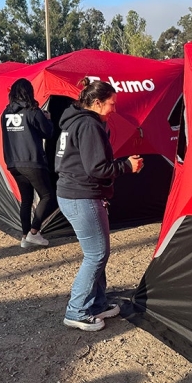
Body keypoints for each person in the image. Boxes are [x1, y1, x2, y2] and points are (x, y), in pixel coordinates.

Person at [55, 78, 144, 331]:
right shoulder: (88, 125)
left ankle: (96, 302)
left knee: (98, 253)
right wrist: (128, 166)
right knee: (96, 254)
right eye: (111, 104)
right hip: (82, 195)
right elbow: (97, 168)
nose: (114, 109)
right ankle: (77, 310)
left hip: (75, 192)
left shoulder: (75, 121)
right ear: (96, 103)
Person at [1, 78, 57, 248]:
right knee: (48, 196)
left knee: (26, 200)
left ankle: (25, 237)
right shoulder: (33, 111)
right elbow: (48, 133)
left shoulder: (5, 114)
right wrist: (48, 119)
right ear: (28, 92)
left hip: (13, 162)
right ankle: (34, 232)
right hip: (32, 161)